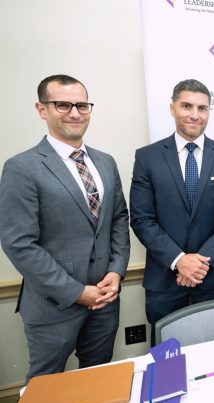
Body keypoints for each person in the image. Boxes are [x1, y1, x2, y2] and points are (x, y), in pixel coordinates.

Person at [0, 75, 130, 382]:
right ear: (42, 109)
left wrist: (116, 271)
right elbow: (19, 243)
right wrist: (75, 292)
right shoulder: (22, 168)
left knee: (98, 382)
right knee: (47, 386)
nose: (75, 113)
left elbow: (118, 219)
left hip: (105, 301)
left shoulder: (106, 162)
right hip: (52, 306)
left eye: (82, 105)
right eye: (63, 105)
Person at [130, 79, 214, 344]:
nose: (195, 114)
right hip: (165, 280)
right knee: (166, 362)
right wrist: (179, 260)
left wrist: (199, 262)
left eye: (202, 108)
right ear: (172, 108)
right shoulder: (147, 158)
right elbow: (142, 218)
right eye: (187, 106)